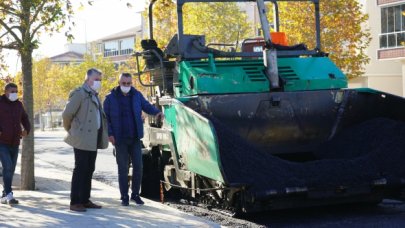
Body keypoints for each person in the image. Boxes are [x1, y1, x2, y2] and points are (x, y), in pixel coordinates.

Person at [104, 73, 164, 206]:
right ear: (119, 83)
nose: (126, 86)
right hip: (120, 139)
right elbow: (106, 118)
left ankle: (135, 194)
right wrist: (110, 134)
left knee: (139, 166)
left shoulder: (136, 95)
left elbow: (146, 106)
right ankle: (124, 195)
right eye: (124, 83)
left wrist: (156, 112)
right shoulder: (110, 98)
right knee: (123, 168)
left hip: (135, 137)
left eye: (129, 83)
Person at [62, 68, 109, 212]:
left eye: (100, 80)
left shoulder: (94, 95)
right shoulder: (80, 94)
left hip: (93, 138)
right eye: (96, 79)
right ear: (87, 79)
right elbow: (67, 114)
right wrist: (72, 130)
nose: (98, 82)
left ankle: (84, 199)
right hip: (82, 138)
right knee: (80, 169)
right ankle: (75, 202)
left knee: (89, 169)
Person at [0, 83, 30, 205]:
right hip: (2, 142)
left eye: (16, 91)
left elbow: (25, 118)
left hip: (15, 142)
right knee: (7, 167)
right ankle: (9, 195)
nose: (15, 93)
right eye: (12, 91)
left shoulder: (18, 104)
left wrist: (27, 130)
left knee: (11, 169)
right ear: (6, 91)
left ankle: (4, 194)